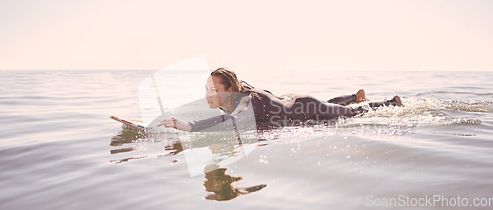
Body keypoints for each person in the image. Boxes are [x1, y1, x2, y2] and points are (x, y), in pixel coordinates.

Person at [157, 68, 403, 131]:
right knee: (332, 106)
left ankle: (392, 102)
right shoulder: (238, 95)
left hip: (303, 106)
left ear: (229, 89)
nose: (208, 94)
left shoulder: (245, 104)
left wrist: (189, 127)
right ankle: (353, 96)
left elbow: (228, 123)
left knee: (350, 114)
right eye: (206, 89)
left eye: (213, 90)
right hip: (291, 101)